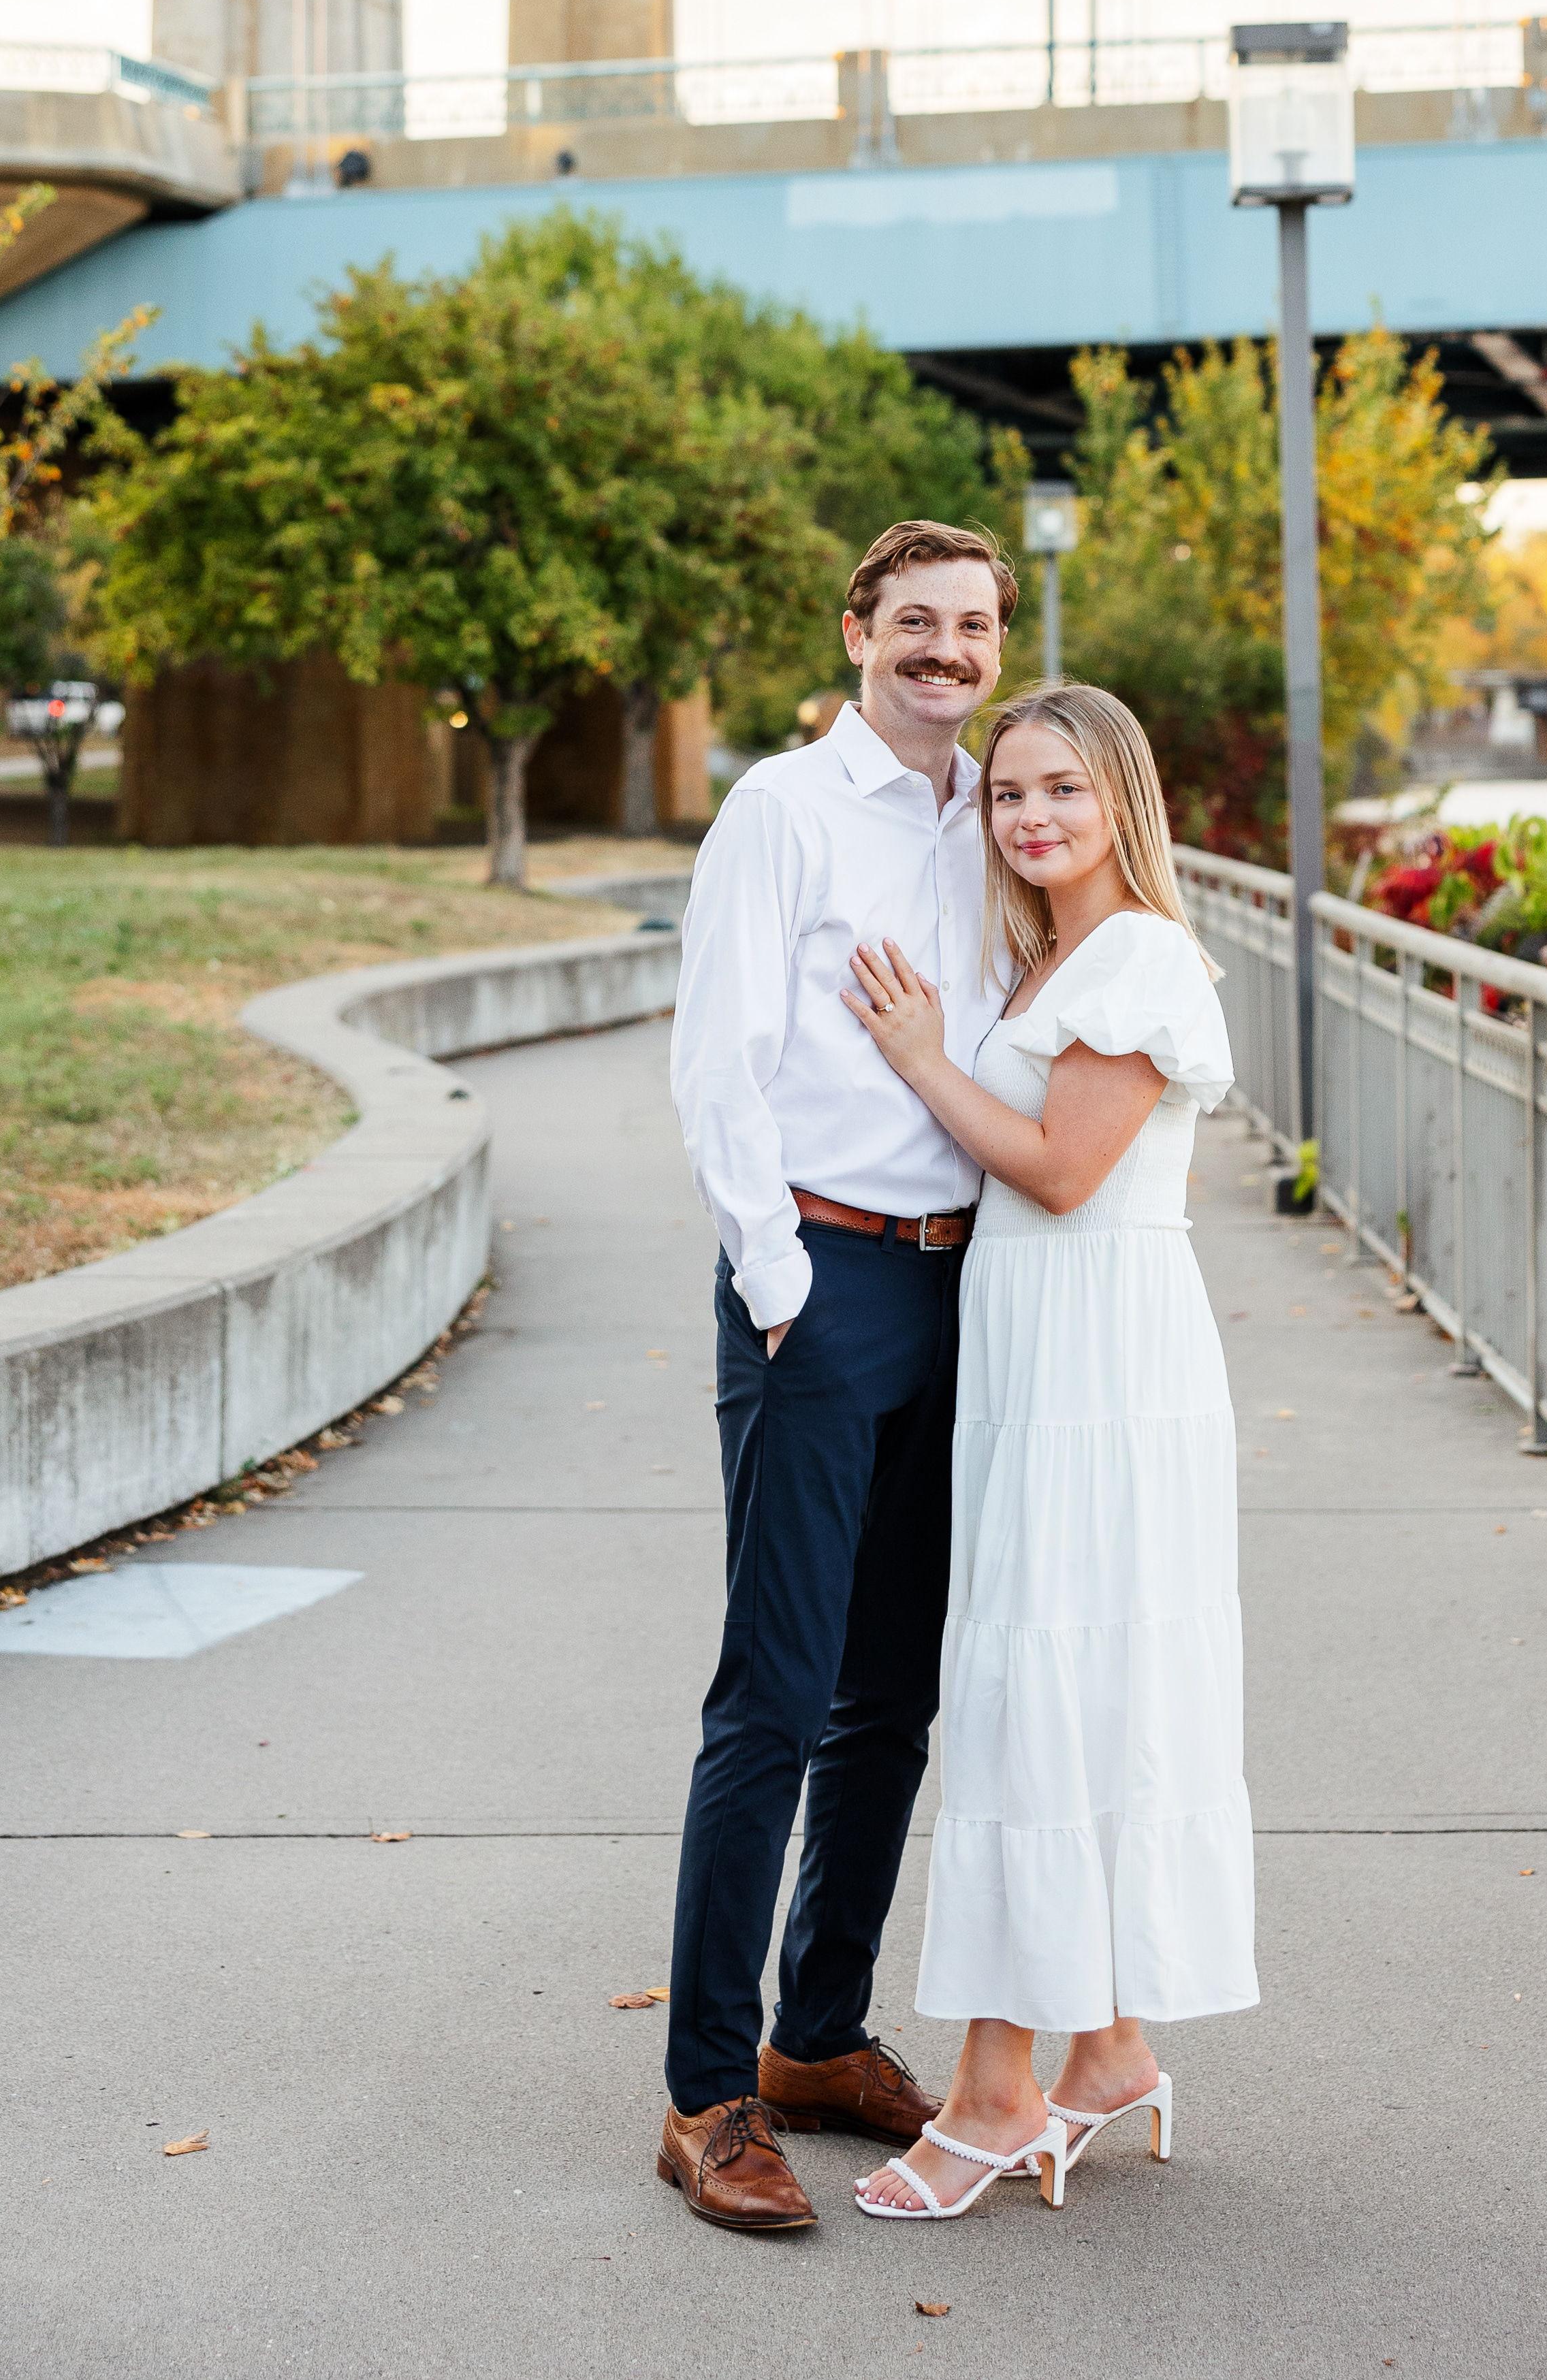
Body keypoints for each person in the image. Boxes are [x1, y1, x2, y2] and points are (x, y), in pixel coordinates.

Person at [836, 679, 1254, 2223]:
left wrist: (919, 1056)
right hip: (1043, 1350)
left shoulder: (1138, 954)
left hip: (1100, 1362)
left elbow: (1064, 1171)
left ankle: (995, 2094)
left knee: (1040, 1689)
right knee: (1069, 1683)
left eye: (1062, 789)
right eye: (1008, 791)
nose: (1029, 816)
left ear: (1121, 800)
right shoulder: (1052, 957)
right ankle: (1110, 2051)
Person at [655, 519, 1019, 2234]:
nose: (946, 649)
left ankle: (814, 2035)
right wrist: (778, 1277)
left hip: (966, 1285)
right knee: (775, 1697)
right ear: (857, 629)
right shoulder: (781, 809)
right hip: (821, 1280)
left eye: (976, 625)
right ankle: (704, 2092)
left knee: (893, 1697)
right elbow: (715, 1055)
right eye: (917, 620)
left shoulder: (998, 812)